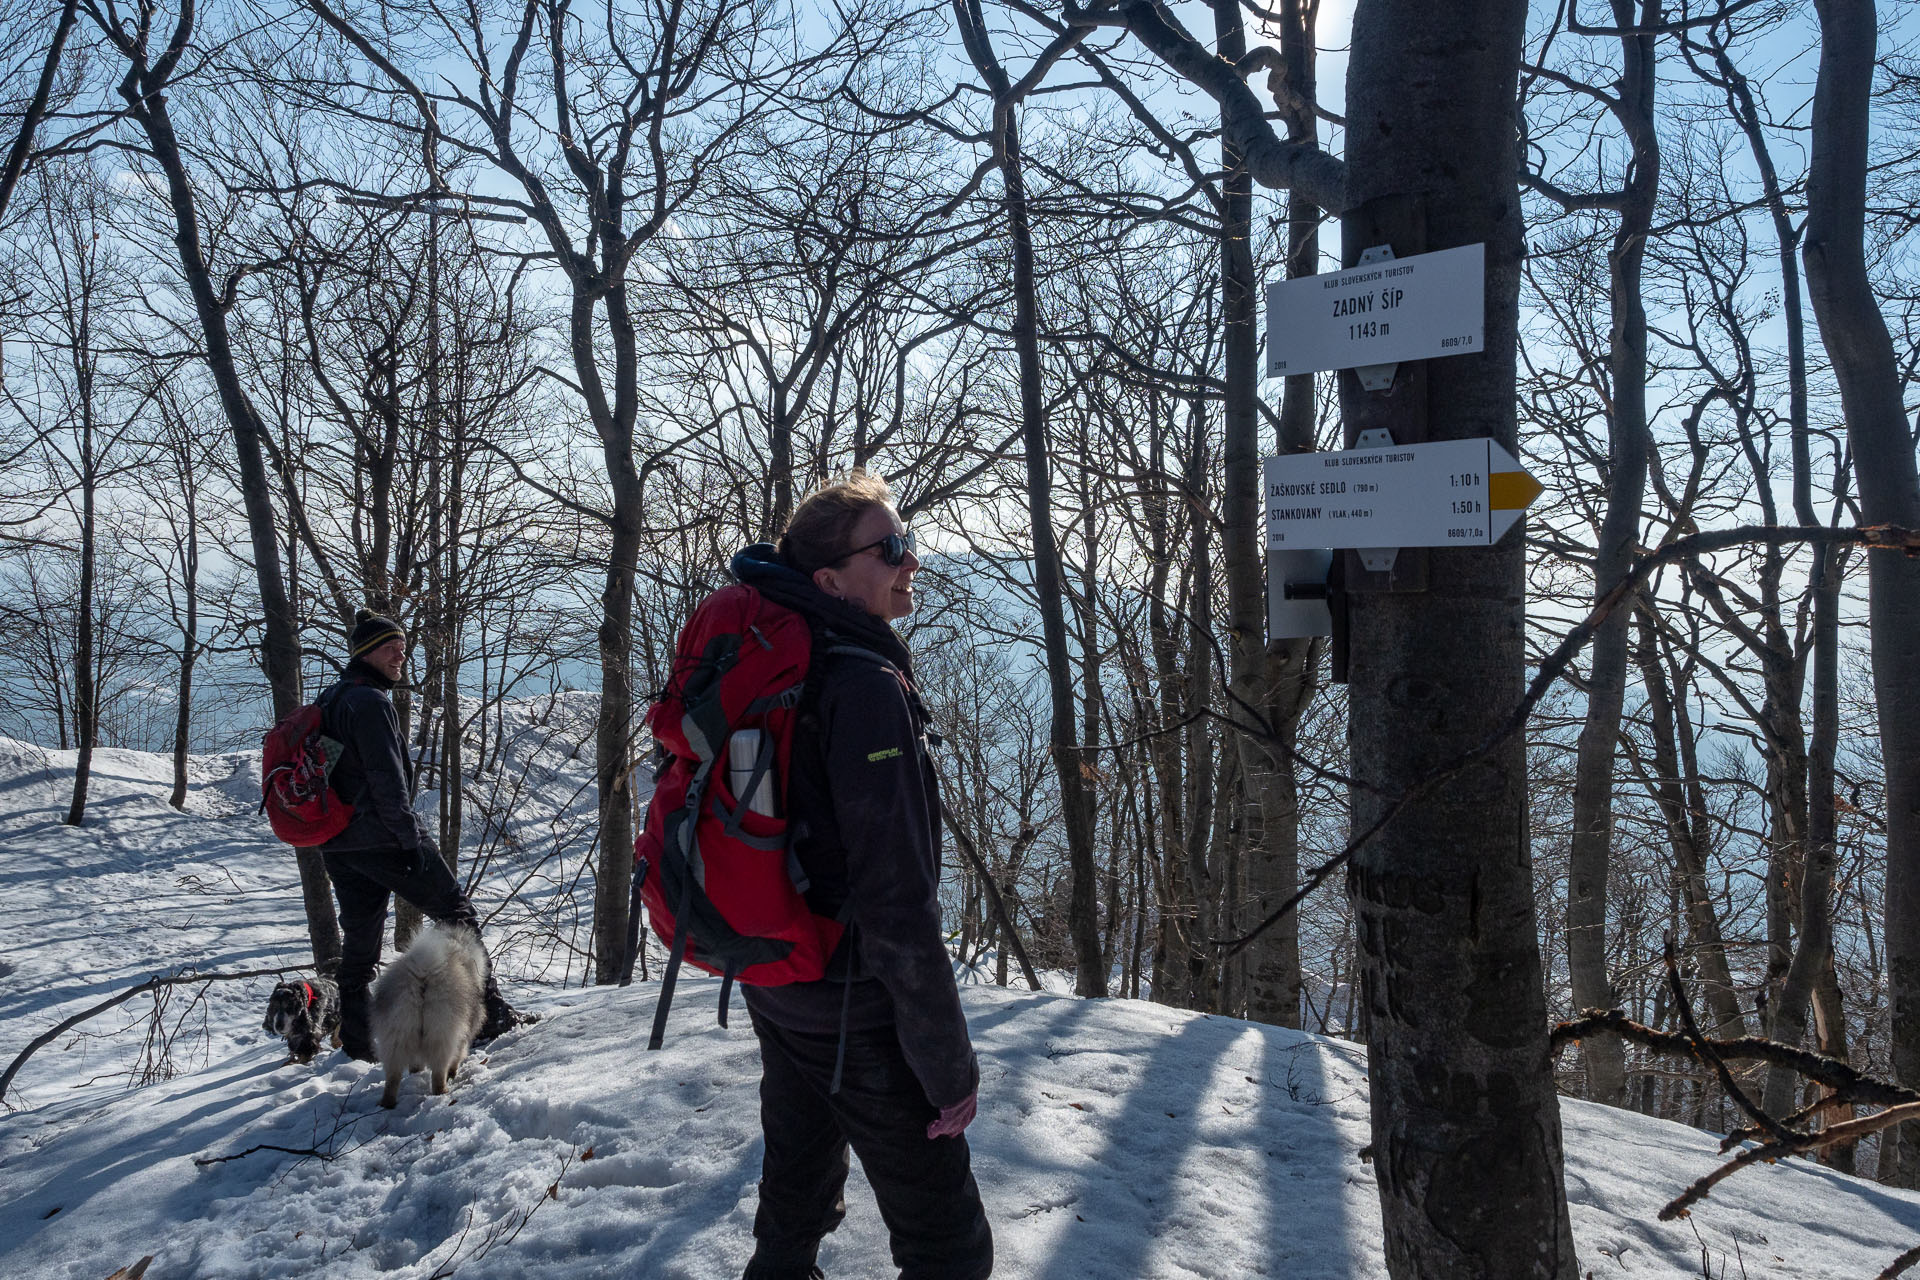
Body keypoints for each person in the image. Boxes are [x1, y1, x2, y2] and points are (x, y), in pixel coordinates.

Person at [727, 474, 992, 1280]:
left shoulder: (778, 663)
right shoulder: (865, 690)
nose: (912, 560)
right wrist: (948, 1070)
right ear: (831, 582)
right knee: (949, 1250)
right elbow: (898, 903)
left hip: (779, 980)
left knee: (795, 1201)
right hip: (855, 1003)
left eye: (906, 541)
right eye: (891, 549)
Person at [318, 609, 533, 1062]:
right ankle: (490, 1015)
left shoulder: (331, 699)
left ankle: (357, 1043)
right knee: (457, 913)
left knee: (359, 943)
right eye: (390, 647)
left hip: (339, 843)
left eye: (403, 646)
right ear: (365, 653)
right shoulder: (371, 703)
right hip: (383, 837)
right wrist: (410, 842)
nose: (401, 654)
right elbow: (386, 781)